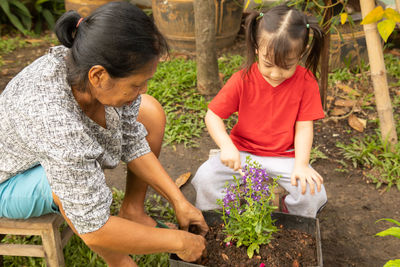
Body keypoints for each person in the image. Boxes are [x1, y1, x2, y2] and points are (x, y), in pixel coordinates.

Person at [0, 2, 208, 266]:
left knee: (150, 112)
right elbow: (94, 229)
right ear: (98, 76)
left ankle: (133, 211)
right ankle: (120, 262)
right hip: (7, 183)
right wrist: (181, 242)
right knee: (61, 185)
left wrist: (179, 201)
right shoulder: (52, 116)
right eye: (136, 83)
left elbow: (133, 141)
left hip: (48, 150)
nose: (142, 89)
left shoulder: (93, 61)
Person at [191, 4, 327, 218]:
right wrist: (226, 146)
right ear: (256, 49)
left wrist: (301, 165)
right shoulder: (242, 79)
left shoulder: (306, 82)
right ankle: (218, 219)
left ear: (301, 54)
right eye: (268, 63)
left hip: (285, 157)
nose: (275, 73)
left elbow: (303, 127)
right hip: (242, 153)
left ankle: (290, 220)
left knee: (313, 192)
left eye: (286, 66)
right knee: (205, 177)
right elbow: (213, 115)